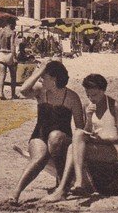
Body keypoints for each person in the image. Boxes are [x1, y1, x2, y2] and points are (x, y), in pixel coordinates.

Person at [43, 74, 118, 202]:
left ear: (103, 91)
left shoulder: (115, 106)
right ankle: (75, 183)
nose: (91, 99)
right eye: (88, 95)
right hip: (94, 145)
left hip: (111, 149)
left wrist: (101, 141)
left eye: (94, 95)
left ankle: (67, 187)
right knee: (76, 138)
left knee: (73, 146)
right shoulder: (87, 106)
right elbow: (85, 133)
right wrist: (88, 117)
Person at [10, 60, 84, 203]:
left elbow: (79, 127)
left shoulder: (72, 97)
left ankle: (61, 183)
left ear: (54, 79)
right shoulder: (41, 91)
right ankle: (16, 192)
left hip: (62, 139)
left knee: (55, 137)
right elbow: (23, 90)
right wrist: (40, 70)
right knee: (39, 156)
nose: (40, 80)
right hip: (40, 135)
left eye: (44, 77)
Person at [0, 20, 18, 100]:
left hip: (1, 53)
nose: (15, 26)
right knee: (13, 76)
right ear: (11, 23)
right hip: (9, 54)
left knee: (2, 76)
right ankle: (13, 94)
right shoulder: (12, 32)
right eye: (14, 24)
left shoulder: (0, 31)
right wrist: (14, 57)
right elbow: (12, 45)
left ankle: (1, 93)